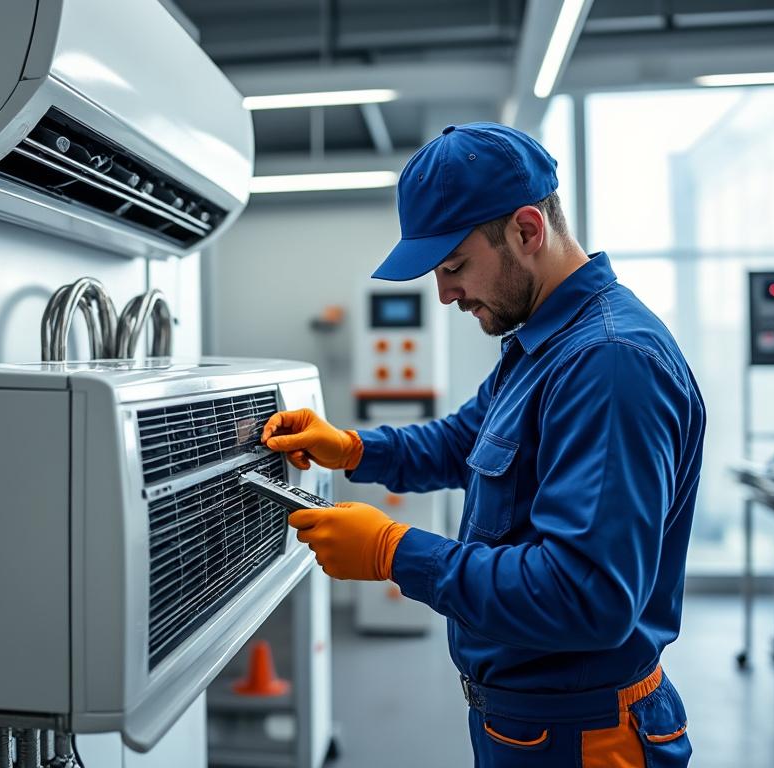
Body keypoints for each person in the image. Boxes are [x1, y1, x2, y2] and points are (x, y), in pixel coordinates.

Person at [261, 122, 705, 768]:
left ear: (528, 231)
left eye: (455, 267)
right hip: (528, 727)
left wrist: (396, 552)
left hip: (585, 739)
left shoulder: (610, 364)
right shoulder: (542, 346)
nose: (444, 295)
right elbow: (462, 441)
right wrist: (353, 448)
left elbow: (587, 595)